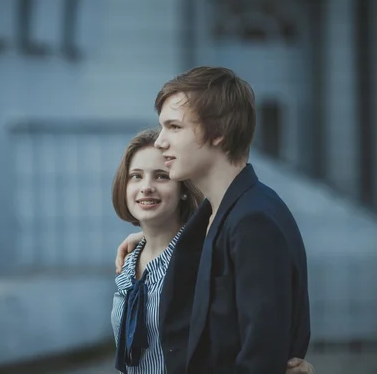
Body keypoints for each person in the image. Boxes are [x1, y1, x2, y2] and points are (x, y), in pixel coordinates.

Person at [114, 66, 311, 373]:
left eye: (174, 127)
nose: (161, 142)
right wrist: (148, 237)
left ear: (218, 132)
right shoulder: (216, 217)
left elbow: (260, 359)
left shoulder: (253, 221)